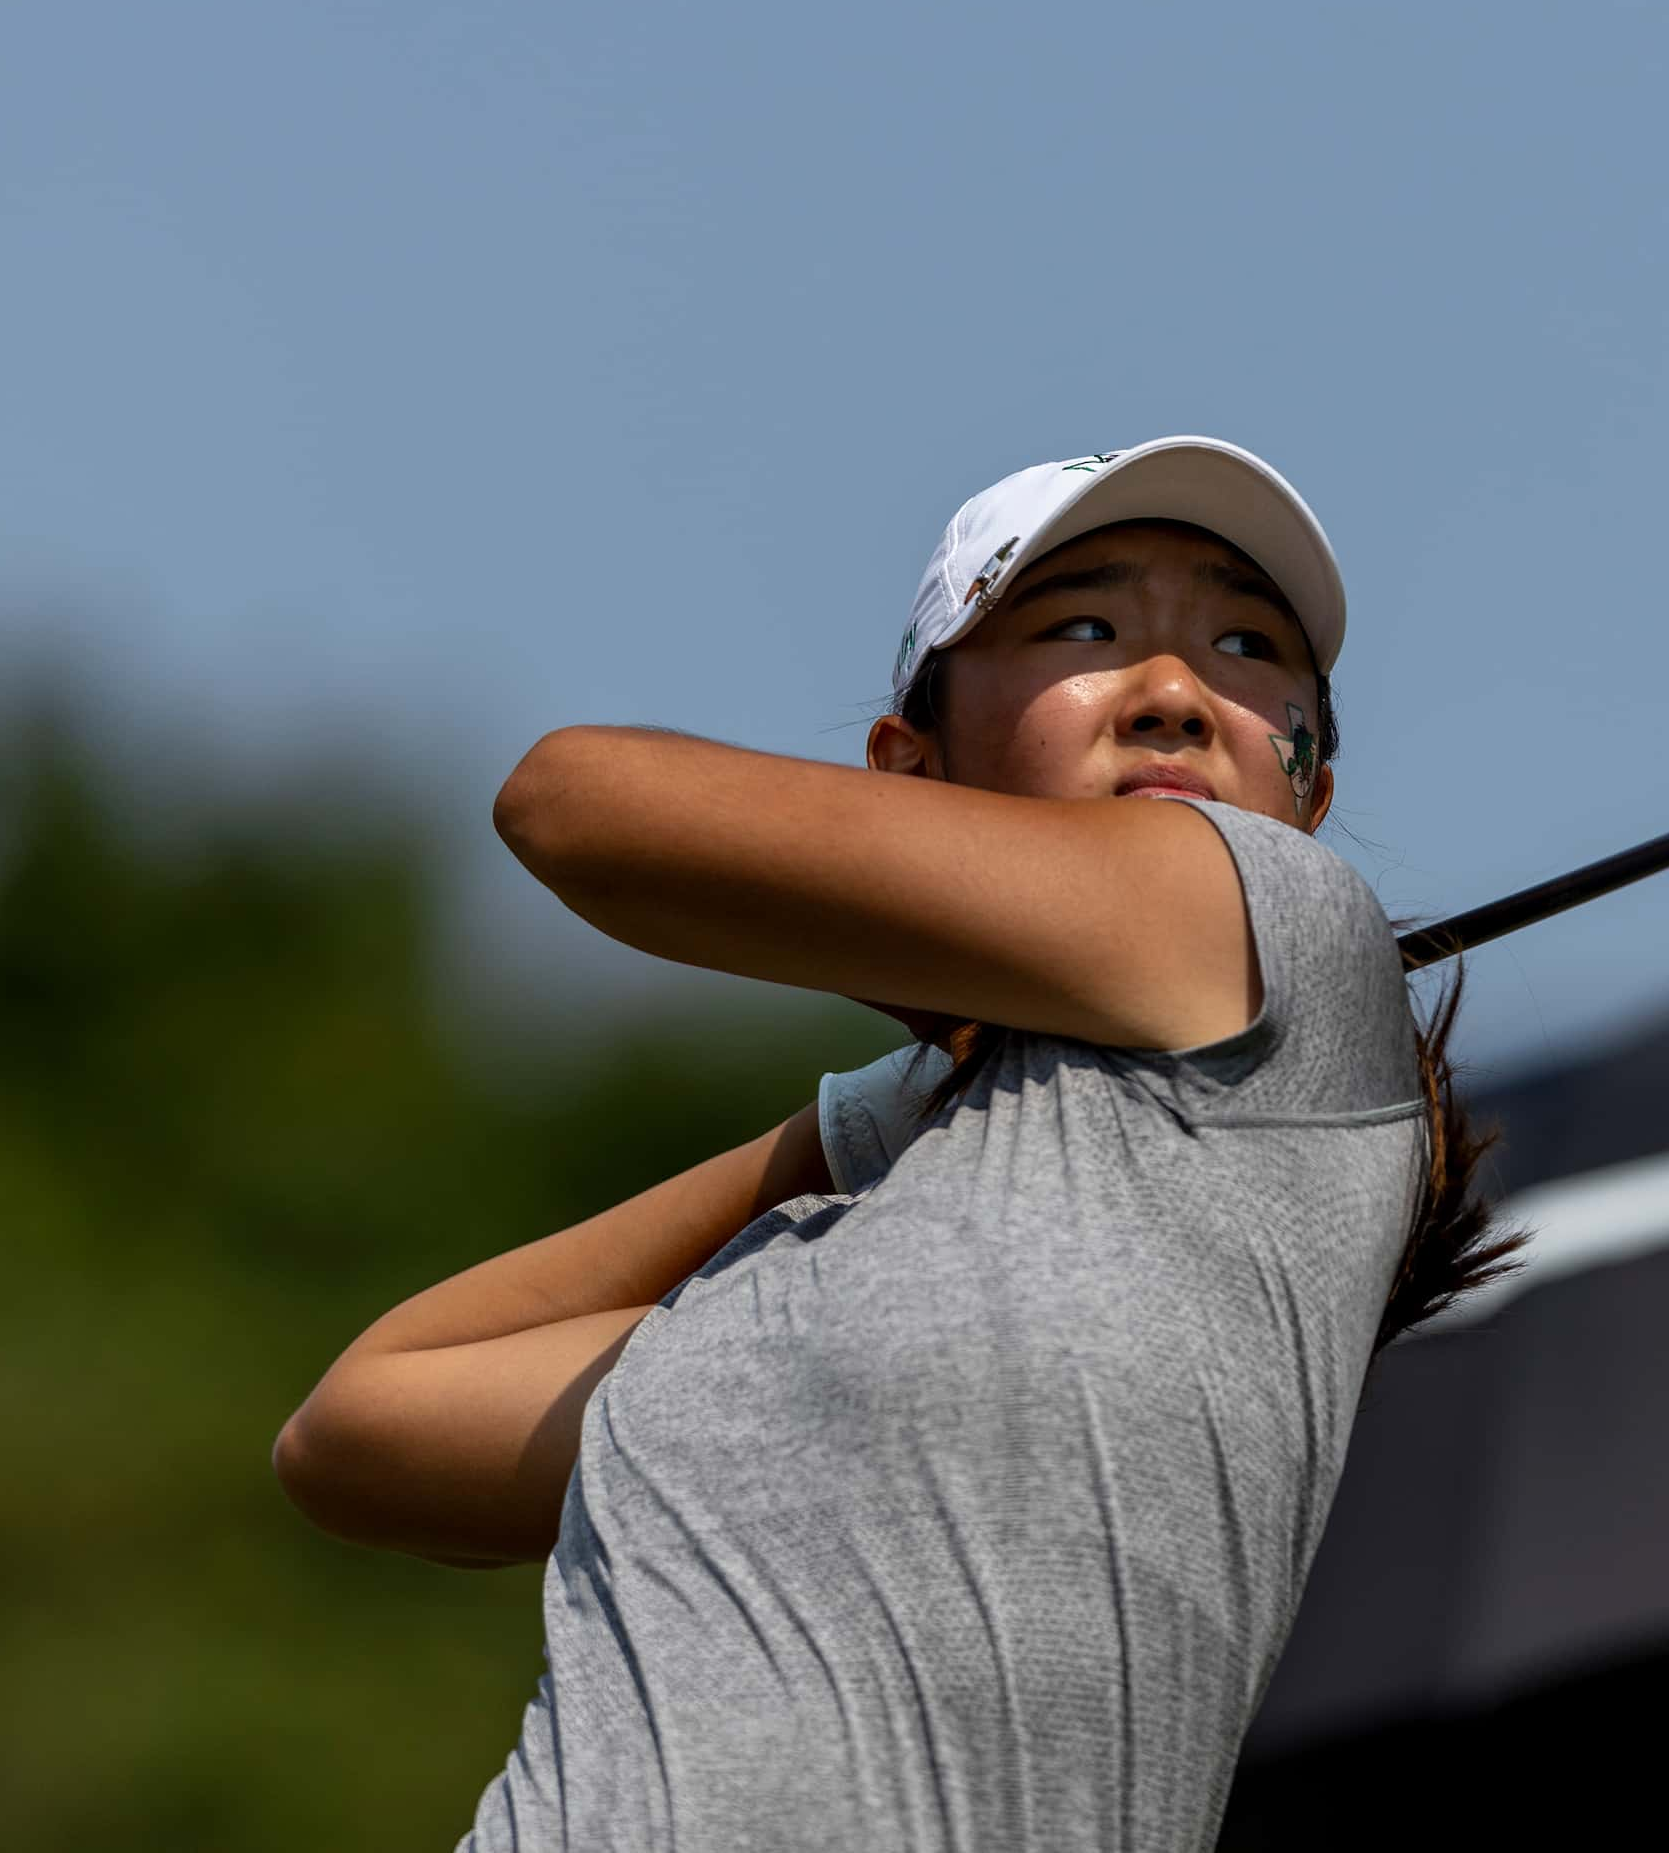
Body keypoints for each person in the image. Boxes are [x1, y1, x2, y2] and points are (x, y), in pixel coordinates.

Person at [270, 437, 1522, 1850]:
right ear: (908, 768)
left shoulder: (1280, 915)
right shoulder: (816, 1271)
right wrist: (855, 1129)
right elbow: (356, 1428)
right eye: (1086, 629)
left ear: (1309, 795)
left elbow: (575, 803)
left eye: (1246, 646)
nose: (1175, 692)